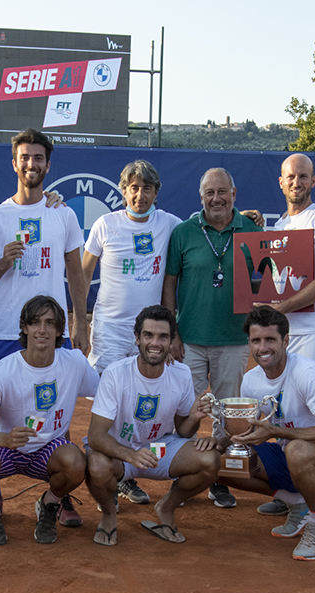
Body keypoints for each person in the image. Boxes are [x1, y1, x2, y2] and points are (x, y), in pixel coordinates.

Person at [0, 128, 90, 525]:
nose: (31, 164)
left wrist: (79, 323)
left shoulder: (63, 212)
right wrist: (4, 262)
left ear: (47, 164)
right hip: (9, 331)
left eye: (38, 158)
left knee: (58, 407)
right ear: (14, 163)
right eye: (24, 157)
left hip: (53, 332)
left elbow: (76, 270)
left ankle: (59, 494)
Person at [216, 306, 315, 561]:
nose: (263, 348)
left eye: (270, 339)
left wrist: (275, 431)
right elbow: (251, 430)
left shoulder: (307, 372)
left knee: (297, 449)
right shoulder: (251, 379)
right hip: (290, 455)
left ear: (285, 341)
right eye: (256, 340)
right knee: (222, 460)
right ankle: (296, 502)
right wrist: (220, 441)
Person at [81, 160, 182, 507]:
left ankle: (129, 469)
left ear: (156, 191)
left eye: (147, 188)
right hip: (109, 330)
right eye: (133, 188)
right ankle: (113, 472)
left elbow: (204, 229)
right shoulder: (105, 224)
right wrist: (80, 321)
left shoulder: (170, 224)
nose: (140, 195)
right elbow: (82, 274)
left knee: (141, 400)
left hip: (149, 334)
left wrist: (247, 217)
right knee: (109, 403)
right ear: (123, 191)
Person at [161, 167, 263, 509]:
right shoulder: (184, 233)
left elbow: (267, 280)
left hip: (234, 339)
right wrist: (172, 331)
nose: (216, 199)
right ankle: (182, 470)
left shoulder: (251, 230)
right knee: (183, 409)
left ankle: (220, 476)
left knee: (227, 412)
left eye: (222, 192)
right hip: (188, 338)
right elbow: (170, 284)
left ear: (234, 194)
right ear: (200, 197)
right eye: (209, 193)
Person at [0, 295, 99, 545]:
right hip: (6, 450)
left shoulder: (75, 363)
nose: (42, 330)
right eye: (35, 322)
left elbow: (104, 394)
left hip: (48, 451)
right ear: (25, 328)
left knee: (77, 462)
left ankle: (49, 505)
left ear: (60, 330)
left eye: (50, 323)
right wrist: (4, 438)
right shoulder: (2, 372)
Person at [254, 154, 315, 519]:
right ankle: (292, 491)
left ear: (313, 181)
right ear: (281, 182)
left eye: (303, 176)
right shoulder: (276, 228)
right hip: (282, 335)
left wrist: (283, 308)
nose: (297, 182)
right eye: (291, 177)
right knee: (282, 410)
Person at [84, 305, 219, 546]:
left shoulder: (181, 373)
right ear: (137, 338)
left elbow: (184, 432)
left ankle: (166, 507)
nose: (155, 342)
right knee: (96, 464)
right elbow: (95, 436)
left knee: (209, 460)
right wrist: (131, 455)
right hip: (121, 451)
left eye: (163, 336)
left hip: (159, 449)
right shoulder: (115, 373)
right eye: (148, 335)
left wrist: (195, 417)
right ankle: (108, 515)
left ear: (171, 341)